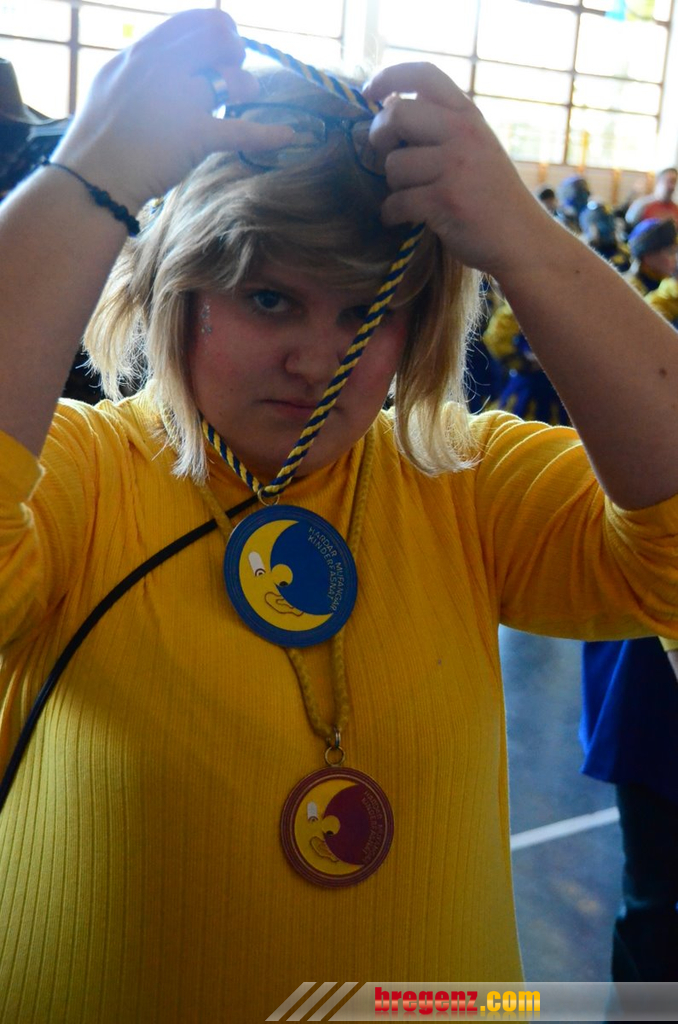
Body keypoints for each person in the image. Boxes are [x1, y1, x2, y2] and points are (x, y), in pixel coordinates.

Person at [0, 9, 677, 1022]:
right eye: (269, 299)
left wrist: (522, 241)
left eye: (367, 313)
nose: (317, 361)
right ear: (180, 289)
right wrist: (87, 180)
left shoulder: (459, 476)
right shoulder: (79, 477)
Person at [623, 216, 678, 295]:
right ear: (648, 257)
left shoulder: (668, 281)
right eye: (671, 252)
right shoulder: (631, 289)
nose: (676, 258)